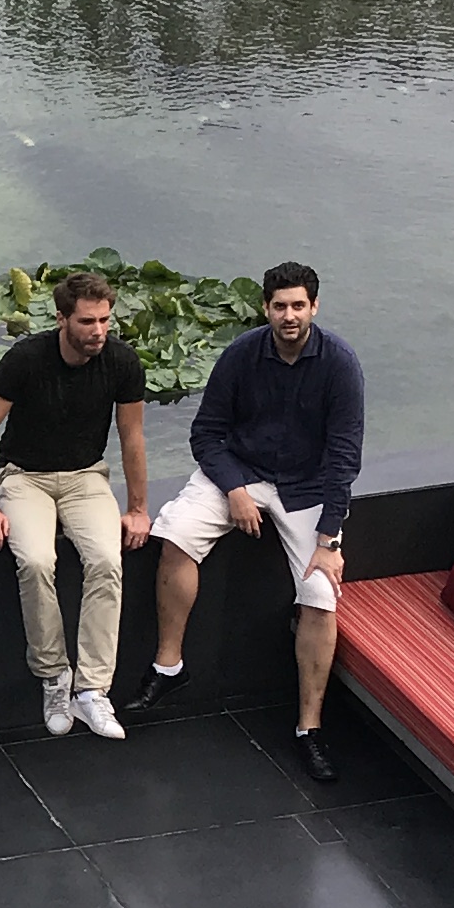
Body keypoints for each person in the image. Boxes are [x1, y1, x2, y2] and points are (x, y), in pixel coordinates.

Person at [145, 261, 363, 778]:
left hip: (306, 487)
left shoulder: (340, 365)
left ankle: (308, 728)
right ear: (265, 308)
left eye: (298, 306)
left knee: (319, 595)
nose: (289, 315)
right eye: (280, 306)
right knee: (176, 535)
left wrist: (329, 536)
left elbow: (344, 456)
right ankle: (168, 666)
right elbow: (206, 434)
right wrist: (235, 490)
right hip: (239, 473)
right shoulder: (242, 354)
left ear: (314, 307)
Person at [0, 266, 152, 742]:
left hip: (86, 476)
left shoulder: (122, 362)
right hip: (23, 476)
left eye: (105, 321)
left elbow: (132, 437)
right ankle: (54, 675)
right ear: (62, 320)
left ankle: (92, 689)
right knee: (33, 559)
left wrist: (137, 507)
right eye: (88, 322)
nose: (98, 332)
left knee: (107, 560)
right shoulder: (26, 359)